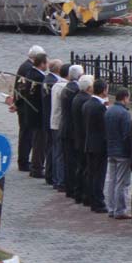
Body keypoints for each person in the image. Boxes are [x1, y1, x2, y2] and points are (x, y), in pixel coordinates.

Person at [12, 45, 43, 172]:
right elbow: (24, 88)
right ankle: (23, 162)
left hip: (22, 105)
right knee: (26, 135)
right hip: (25, 107)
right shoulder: (28, 68)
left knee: (26, 134)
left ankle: (24, 160)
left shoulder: (24, 66)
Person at [104, 88, 132, 220]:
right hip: (122, 152)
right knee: (122, 182)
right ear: (125, 98)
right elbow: (126, 135)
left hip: (110, 149)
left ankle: (111, 207)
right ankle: (120, 209)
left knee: (111, 180)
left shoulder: (109, 110)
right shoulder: (124, 113)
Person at [82, 78, 110, 214]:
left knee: (92, 173)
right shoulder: (99, 107)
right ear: (104, 90)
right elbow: (104, 127)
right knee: (99, 175)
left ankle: (91, 198)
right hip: (99, 146)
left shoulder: (87, 104)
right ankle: (98, 202)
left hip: (89, 143)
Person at [58, 65, 83, 196]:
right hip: (73, 131)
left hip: (65, 127)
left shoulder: (66, 88)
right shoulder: (76, 91)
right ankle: (73, 188)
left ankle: (69, 187)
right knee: (73, 162)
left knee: (68, 161)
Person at [69, 75, 94, 205]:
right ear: (89, 88)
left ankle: (78, 192)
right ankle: (84, 194)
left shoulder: (77, 97)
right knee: (85, 168)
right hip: (84, 138)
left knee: (80, 167)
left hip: (78, 137)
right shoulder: (86, 100)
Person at [48, 61, 72, 192]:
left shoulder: (56, 85)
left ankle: (56, 178)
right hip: (59, 123)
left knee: (57, 152)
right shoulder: (63, 87)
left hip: (54, 122)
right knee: (60, 153)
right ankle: (60, 180)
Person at [41, 59, 62, 186]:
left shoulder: (47, 80)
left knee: (50, 148)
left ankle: (49, 174)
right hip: (52, 119)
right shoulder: (53, 83)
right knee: (53, 148)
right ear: (58, 69)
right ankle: (52, 175)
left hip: (48, 118)